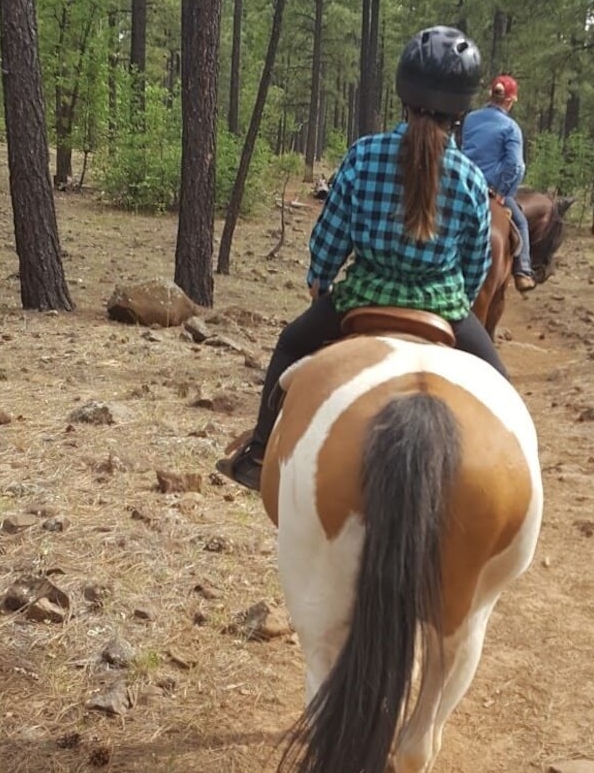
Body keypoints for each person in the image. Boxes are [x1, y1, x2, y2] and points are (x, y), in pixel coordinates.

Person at [216, 26, 507, 493]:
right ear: (462, 107)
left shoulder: (364, 154)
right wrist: (455, 303)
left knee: (290, 344)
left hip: (362, 298)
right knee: (502, 390)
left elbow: (329, 240)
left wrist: (320, 282)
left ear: (403, 92)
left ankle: (257, 453)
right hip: (445, 310)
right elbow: (476, 269)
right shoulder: (472, 179)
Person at [460, 73, 536, 291]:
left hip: (465, 186)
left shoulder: (471, 118)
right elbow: (516, 165)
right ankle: (523, 270)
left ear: (490, 95)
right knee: (520, 222)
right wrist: (503, 192)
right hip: (491, 190)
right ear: (510, 100)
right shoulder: (511, 128)